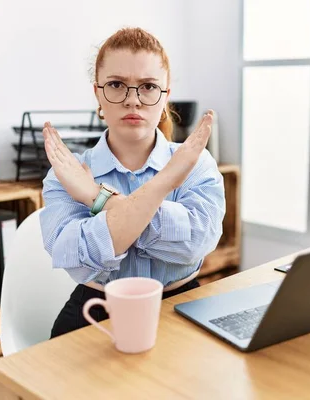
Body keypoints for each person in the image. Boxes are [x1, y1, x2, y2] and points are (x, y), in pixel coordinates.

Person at [39, 27, 225, 338]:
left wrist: (97, 198)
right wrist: (165, 184)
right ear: (98, 93)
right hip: (93, 314)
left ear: (166, 95)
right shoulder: (68, 170)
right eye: (116, 85)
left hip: (182, 307)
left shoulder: (195, 163)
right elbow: (78, 256)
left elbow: (195, 243)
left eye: (148, 86)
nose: (133, 101)